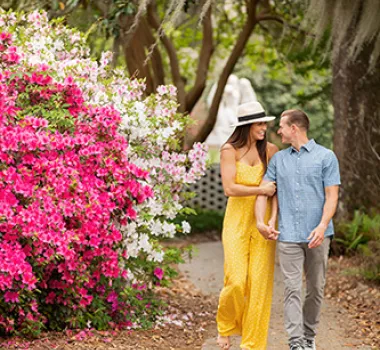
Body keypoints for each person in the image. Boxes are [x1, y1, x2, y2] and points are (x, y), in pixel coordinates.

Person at [255, 109, 340, 350]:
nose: (278, 131)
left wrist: (322, 226)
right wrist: (263, 221)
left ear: (294, 128)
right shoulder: (279, 160)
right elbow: (264, 191)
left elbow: (332, 196)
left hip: (318, 235)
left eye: (282, 126)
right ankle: (295, 342)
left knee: (315, 288)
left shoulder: (326, 157)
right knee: (292, 288)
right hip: (288, 235)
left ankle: (308, 335)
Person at [216, 101, 279, 350]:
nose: (264, 128)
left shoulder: (271, 151)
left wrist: (273, 219)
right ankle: (225, 326)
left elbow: (276, 190)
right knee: (236, 279)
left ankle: (252, 344)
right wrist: (260, 188)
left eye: (265, 123)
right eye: (260, 124)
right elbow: (229, 188)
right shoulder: (229, 150)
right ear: (247, 126)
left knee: (260, 285)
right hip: (236, 221)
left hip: (263, 223)